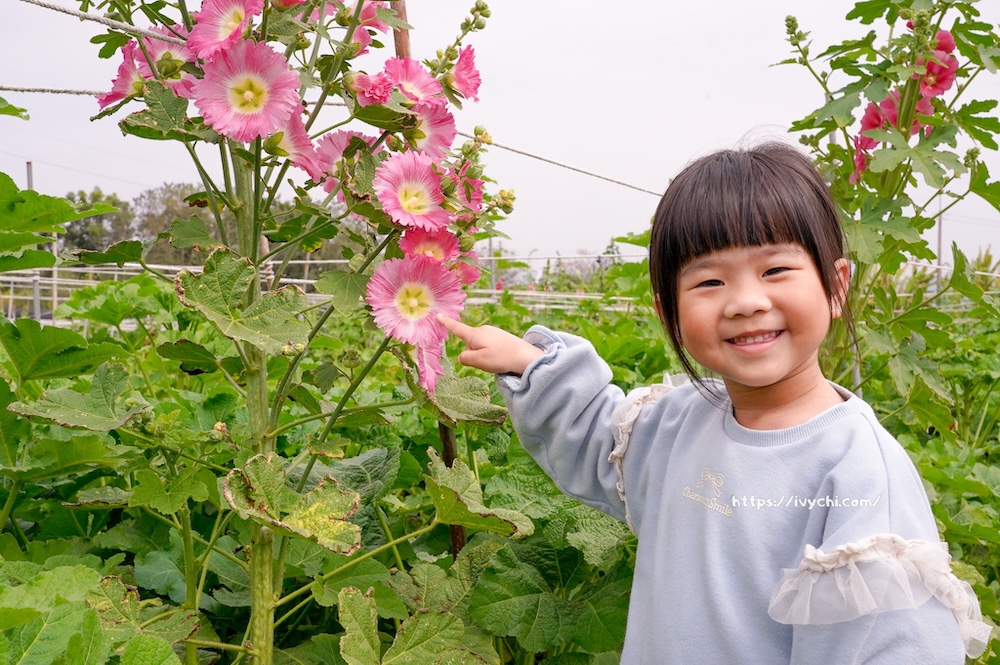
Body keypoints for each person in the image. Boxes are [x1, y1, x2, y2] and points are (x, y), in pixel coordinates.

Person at [438, 143, 991, 664]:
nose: (746, 302)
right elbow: (594, 438)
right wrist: (530, 364)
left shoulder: (857, 467)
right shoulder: (674, 422)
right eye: (708, 282)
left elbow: (890, 644)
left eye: (775, 269)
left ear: (836, 284)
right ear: (668, 310)